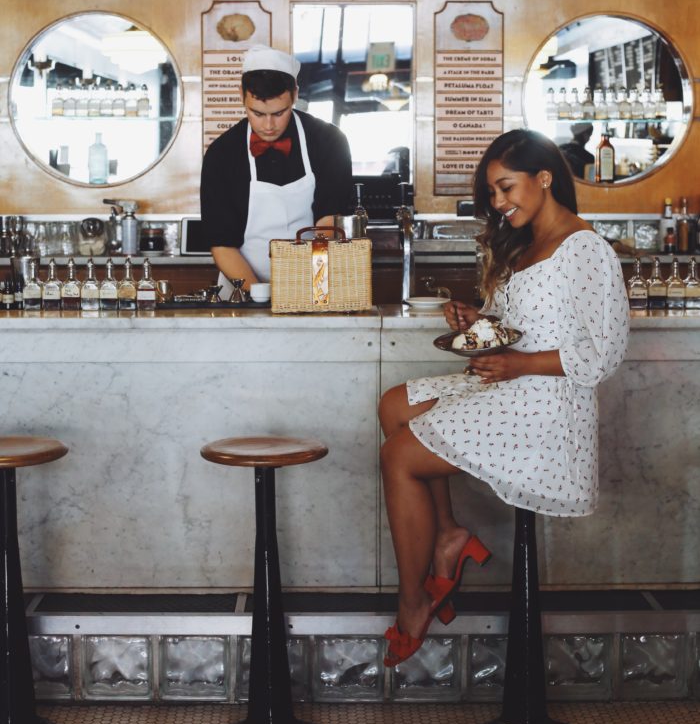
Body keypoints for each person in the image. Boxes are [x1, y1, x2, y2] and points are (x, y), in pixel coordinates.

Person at [379, 129, 629, 667]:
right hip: (511, 387)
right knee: (394, 404)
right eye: (492, 193)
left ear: (544, 178)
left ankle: (414, 600)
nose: (499, 203)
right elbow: (520, 326)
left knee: (398, 455)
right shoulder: (524, 241)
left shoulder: (584, 248)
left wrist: (518, 364)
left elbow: (603, 354)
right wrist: (479, 320)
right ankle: (448, 535)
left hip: (548, 404)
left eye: (506, 187)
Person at [200, 45, 353, 297]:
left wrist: (309, 288)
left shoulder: (329, 141)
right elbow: (223, 244)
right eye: (257, 113)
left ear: (295, 94)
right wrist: (261, 295)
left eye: (279, 113)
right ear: (241, 95)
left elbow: (328, 223)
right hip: (242, 287)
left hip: (314, 280)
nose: (268, 126)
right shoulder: (222, 153)